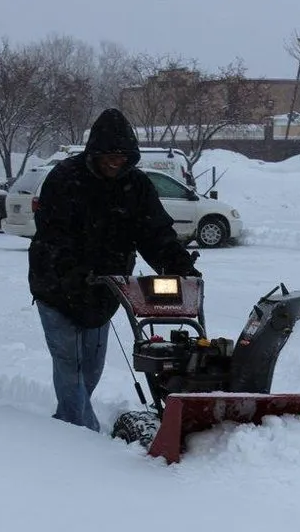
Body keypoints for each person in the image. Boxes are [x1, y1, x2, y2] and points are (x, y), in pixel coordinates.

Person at [28, 108, 201, 433]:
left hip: (105, 292)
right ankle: (83, 436)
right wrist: (74, 273)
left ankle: (66, 423)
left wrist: (179, 266)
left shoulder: (135, 186)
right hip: (55, 288)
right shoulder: (66, 179)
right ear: (94, 152)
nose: (114, 161)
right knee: (70, 364)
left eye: (121, 156)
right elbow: (52, 237)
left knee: (91, 369)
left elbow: (155, 232)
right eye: (108, 155)